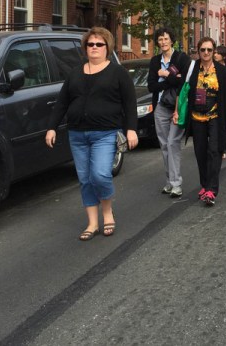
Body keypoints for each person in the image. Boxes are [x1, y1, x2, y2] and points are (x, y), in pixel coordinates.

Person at [46, 27, 138, 241]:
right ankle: (92, 222)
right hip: (77, 134)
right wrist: (52, 127)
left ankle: (107, 212)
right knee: (85, 179)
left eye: (99, 44)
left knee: (100, 175)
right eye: (90, 44)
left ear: (107, 47)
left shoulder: (117, 72)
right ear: (85, 48)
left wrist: (131, 129)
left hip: (105, 133)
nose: (94, 48)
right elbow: (62, 102)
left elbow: (130, 103)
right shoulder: (75, 72)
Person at [173, 37, 226, 206]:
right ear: (198, 51)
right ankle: (204, 184)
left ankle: (212, 189)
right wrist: (177, 111)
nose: (206, 53)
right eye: (203, 50)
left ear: (214, 51)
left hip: (216, 115)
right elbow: (182, 90)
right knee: (200, 153)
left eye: (209, 50)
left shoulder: (222, 71)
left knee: (214, 151)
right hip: (196, 116)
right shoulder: (192, 68)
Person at [148, 27, 191, 199]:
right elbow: (152, 86)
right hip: (160, 106)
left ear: (172, 40)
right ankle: (169, 181)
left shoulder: (181, 58)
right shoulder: (154, 61)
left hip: (177, 106)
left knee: (173, 142)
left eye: (166, 39)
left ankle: (176, 184)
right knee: (164, 145)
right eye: (160, 39)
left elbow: (185, 83)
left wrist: (165, 75)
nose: (163, 42)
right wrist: (172, 79)